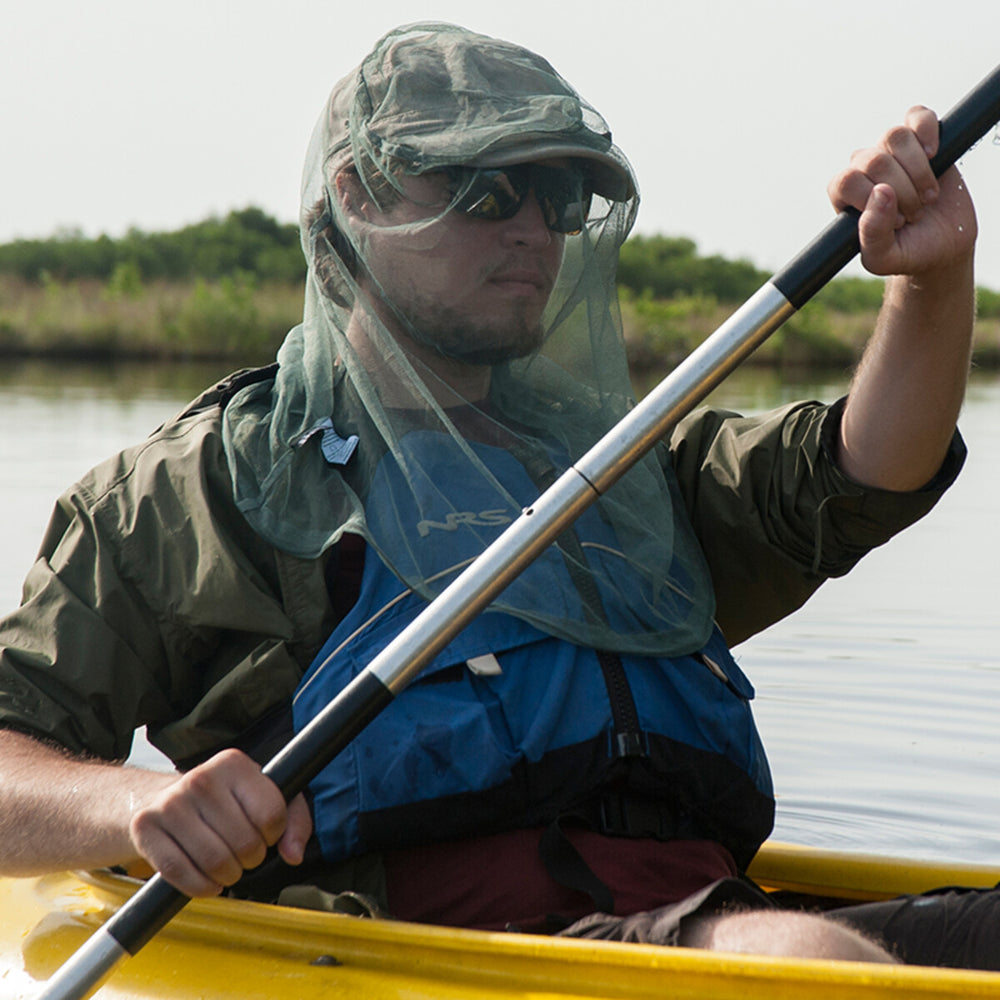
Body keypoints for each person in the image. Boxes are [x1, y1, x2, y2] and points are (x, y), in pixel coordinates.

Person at [0, 22, 989, 968]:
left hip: (693, 908)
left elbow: (866, 471)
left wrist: (930, 278)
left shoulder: (620, 462)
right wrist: (132, 805)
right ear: (357, 194)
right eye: (486, 191)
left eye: (556, 200)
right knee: (802, 957)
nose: (530, 230)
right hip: (437, 936)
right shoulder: (188, 494)